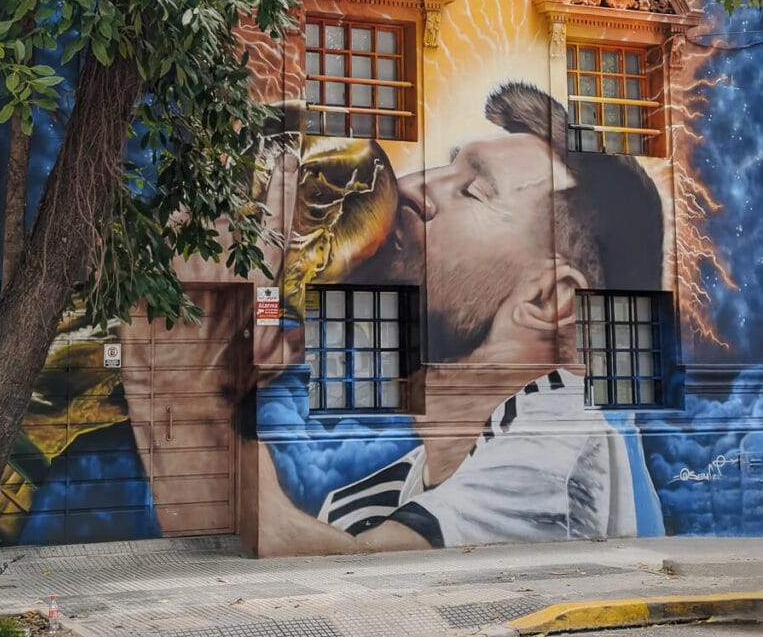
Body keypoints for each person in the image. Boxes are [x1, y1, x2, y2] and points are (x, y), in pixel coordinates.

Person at [258, 81, 665, 553]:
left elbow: (358, 572)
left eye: (472, 190)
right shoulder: (358, 505)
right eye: (444, 167)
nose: (408, 187)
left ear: (550, 299)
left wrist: (204, 389)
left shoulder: (564, 449)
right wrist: (260, 310)